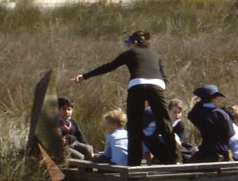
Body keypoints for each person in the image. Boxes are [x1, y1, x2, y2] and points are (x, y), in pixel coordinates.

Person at [72, 29, 178, 166]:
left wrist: (85, 76)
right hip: (157, 86)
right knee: (164, 122)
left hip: (137, 85)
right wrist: (160, 90)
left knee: (134, 125)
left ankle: (134, 163)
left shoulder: (130, 53)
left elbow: (109, 66)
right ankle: (174, 158)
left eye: (128, 42)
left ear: (134, 42)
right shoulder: (155, 55)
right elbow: (165, 78)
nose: (128, 45)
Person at [186, 85, 234, 163]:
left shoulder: (198, 114)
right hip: (224, 151)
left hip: (206, 151)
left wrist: (200, 103)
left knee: (188, 165)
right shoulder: (222, 114)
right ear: (214, 98)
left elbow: (190, 115)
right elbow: (230, 133)